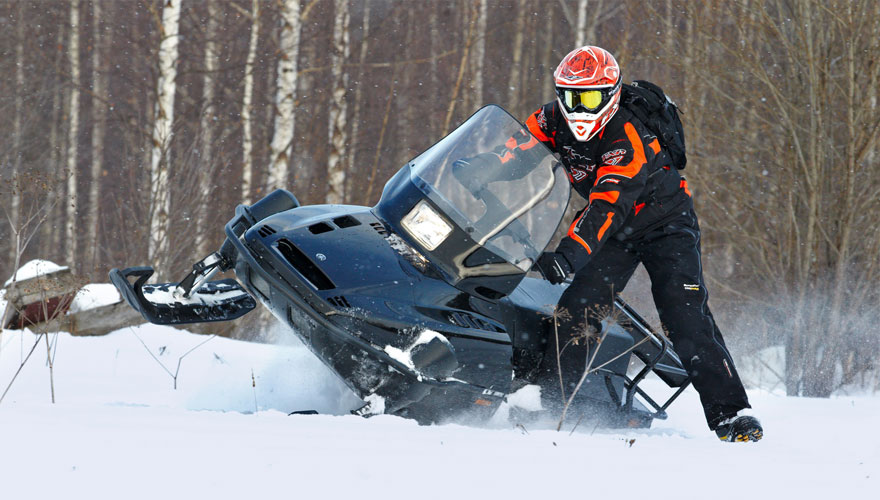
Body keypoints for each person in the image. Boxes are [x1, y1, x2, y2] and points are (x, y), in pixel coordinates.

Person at [519, 46, 762, 442]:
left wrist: (568, 256)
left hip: (666, 224)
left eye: (591, 98)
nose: (579, 108)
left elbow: (606, 206)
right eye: (570, 96)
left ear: (611, 95)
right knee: (577, 306)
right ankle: (561, 405)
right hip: (617, 230)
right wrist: (478, 173)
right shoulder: (549, 119)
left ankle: (731, 414)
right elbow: (515, 150)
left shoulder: (627, 135)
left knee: (683, 315)